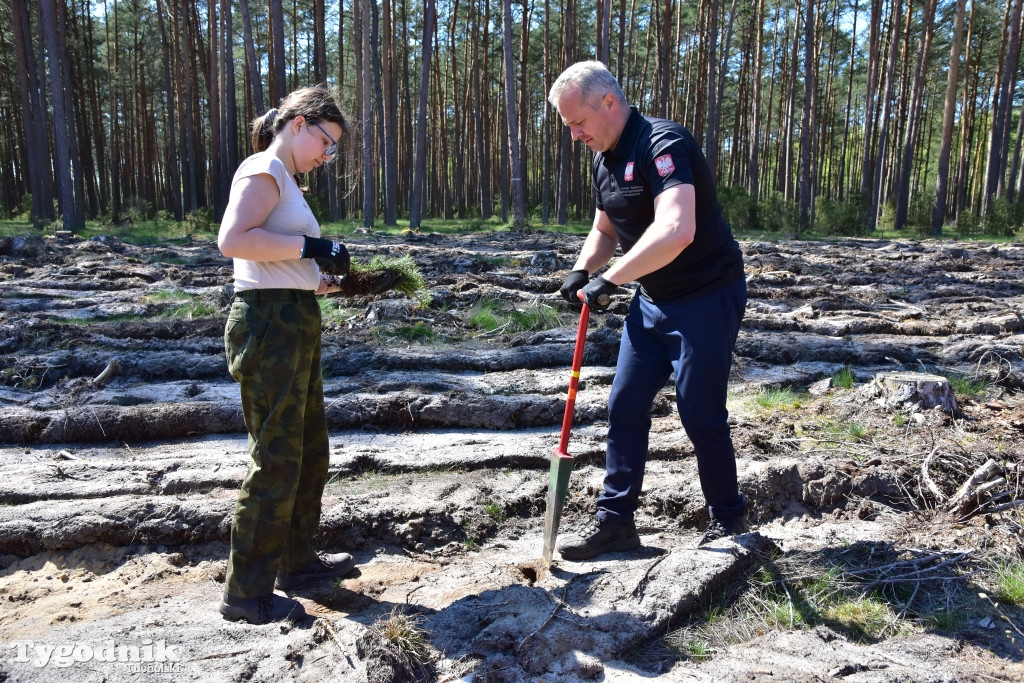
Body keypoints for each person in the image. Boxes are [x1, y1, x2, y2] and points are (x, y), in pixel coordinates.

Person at [548, 61, 748, 561]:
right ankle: (616, 523)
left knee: (700, 413)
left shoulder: (663, 145)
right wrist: (581, 269)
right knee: (625, 404)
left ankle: (730, 520)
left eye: (578, 123)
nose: (575, 135)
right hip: (653, 301)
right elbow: (606, 229)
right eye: (568, 126)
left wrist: (610, 279)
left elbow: (676, 230)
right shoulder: (604, 157)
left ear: (609, 103)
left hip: (705, 296)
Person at [216, 86, 357, 624]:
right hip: (268, 324)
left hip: (294, 317)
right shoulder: (263, 169)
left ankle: (297, 561)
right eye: (326, 142)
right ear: (298, 124)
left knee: (309, 448)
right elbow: (234, 240)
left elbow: (281, 263)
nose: (327, 156)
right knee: (275, 456)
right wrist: (312, 248)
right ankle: (245, 591)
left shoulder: (288, 181)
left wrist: (334, 281)